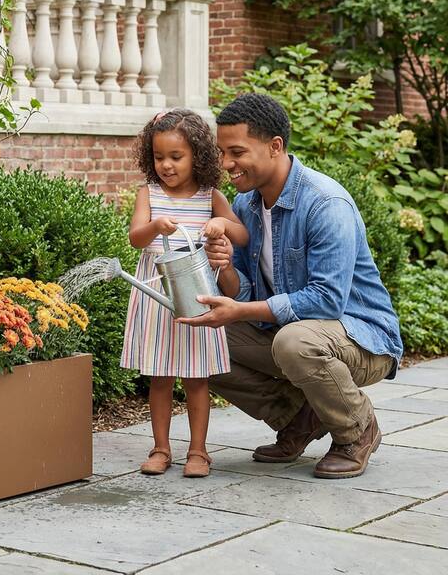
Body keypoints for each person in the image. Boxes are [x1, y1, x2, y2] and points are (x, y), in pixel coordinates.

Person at [179, 93, 403, 479]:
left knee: (295, 342)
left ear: (275, 146)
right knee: (196, 334)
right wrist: (226, 268)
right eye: (222, 153)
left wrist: (242, 311)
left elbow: (327, 301)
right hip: (294, 333)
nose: (227, 164)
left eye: (237, 152)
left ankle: (357, 429)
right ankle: (299, 416)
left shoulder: (325, 203)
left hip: (363, 340)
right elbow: (247, 292)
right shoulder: (247, 204)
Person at [121, 108, 249, 477]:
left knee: (197, 377)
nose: (166, 165)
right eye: (159, 157)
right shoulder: (149, 193)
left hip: (196, 293)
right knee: (160, 376)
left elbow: (242, 235)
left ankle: (198, 451)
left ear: (198, 155)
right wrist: (154, 226)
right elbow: (134, 238)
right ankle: (161, 448)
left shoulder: (211, 196)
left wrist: (221, 223)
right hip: (158, 294)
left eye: (176, 157)